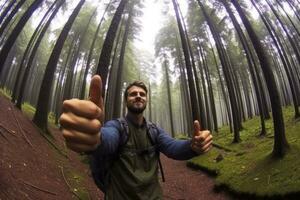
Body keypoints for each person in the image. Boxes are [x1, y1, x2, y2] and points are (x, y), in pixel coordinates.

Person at [60, 75, 213, 199]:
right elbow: (107, 139)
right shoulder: (117, 127)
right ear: (126, 100)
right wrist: (95, 137)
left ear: (146, 100)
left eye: (142, 94)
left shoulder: (154, 131)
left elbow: (173, 147)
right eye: (133, 94)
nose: (138, 96)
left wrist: (192, 146)